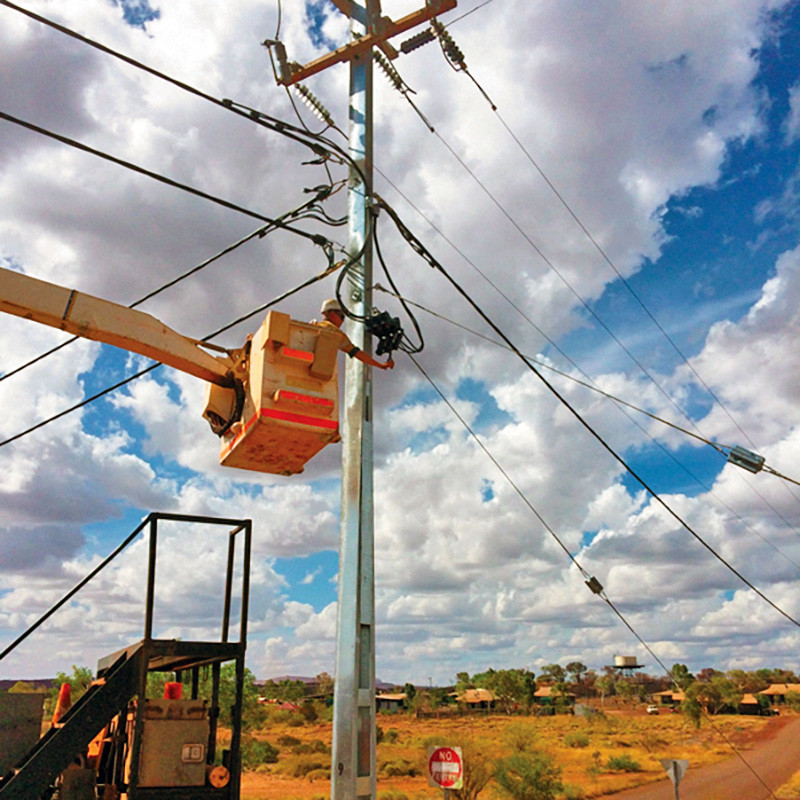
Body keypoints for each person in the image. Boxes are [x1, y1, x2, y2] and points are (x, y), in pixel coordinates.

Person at [315, 298, 394, 370]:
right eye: (342, 317)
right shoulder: (334, 332)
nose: (342, 321)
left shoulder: (314, 326)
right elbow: (357, 353)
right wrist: (381, 365)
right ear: (332, 314)